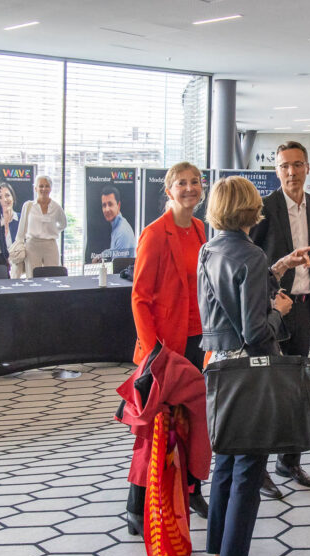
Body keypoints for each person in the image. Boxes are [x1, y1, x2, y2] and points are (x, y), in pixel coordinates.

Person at [198, 175, 310, 556]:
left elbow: (226, 301)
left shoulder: (208, 249)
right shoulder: (250, 254)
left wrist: (277, 269)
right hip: (250, 373)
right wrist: (280, 310)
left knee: (225, 467)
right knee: (248, 475)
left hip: (219, 367)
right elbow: (256, 331)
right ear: (251, 208)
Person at [127, 162, 210, 529]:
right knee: (155, 429)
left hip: (198, 341)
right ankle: (136, 505)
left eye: (195, 182)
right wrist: (152, 353)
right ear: (169, 190)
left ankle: (191, 490)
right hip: (163, 348)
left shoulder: (199, 229)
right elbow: (140, 298)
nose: (189, 188)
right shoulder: (155, 233)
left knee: (192, 422)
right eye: (181, 183)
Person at [249, 140, 310, 499]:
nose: (291, 172)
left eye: (297, 164)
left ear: (307, 167)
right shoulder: (263, 208)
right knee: (267, 389)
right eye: (284, 166)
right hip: (273, 309)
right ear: (276, 170)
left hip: (305, 308)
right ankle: (258, 469)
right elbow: (253, 258)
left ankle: (289, 461)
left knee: (298, 387)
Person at [19, 175, 67, 278]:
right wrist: (19, 243)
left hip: (50, 245)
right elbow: (21, 227)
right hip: (32, 245)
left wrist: (53, 231)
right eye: (41, 186)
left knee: (53, 275)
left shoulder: (56, 207)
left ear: (51, 189)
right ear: (35, 188)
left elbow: (63, 224)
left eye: (47, 186)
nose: (44, 189)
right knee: (32, 276)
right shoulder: (28, 206)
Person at [94, 185, 136, 261]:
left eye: (110, 204)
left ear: (118, 205)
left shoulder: (122, 231)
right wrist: (102, 255)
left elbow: (118, 266)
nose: (107, 209)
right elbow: (116, 251)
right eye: (104, 205)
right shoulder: (118, 225)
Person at [0, 183, 20, 249]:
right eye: (0, 197)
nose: (5, 200)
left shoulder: (22, 219)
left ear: (13, 198)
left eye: (7, 195)